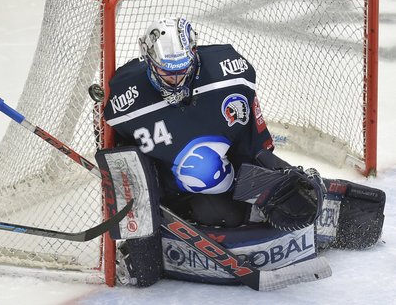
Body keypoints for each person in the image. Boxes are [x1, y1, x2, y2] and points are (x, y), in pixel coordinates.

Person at [99, 17, 385, 287]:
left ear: (194, 55)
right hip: (173, 191)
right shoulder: (125, 101)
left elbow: (252, 142)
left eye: (182, 70)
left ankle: (262, 205)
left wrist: (273, 172)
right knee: (219, 199)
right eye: (166, 72)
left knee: (295, 193)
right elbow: (124, 163)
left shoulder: (231, 75)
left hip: (232, 170)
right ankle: (242, 213)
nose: (176, 80)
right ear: (148, 60)